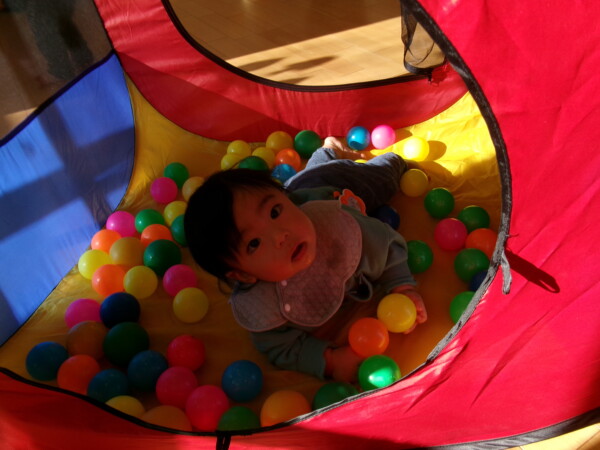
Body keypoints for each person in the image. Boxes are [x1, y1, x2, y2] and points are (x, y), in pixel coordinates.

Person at [184, 137, 427, 382]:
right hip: (296, 191)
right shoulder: (264, 306)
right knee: (304, 180)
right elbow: (283, 348)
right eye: (254, 243)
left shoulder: (337, 225)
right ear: (243, 275)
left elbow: (385, 244)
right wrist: (330, 360)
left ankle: (376, 159)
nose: (281, 235)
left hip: (333, 184)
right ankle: (325, 152)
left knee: (382, 180)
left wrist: (402, 286)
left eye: (274, 212)